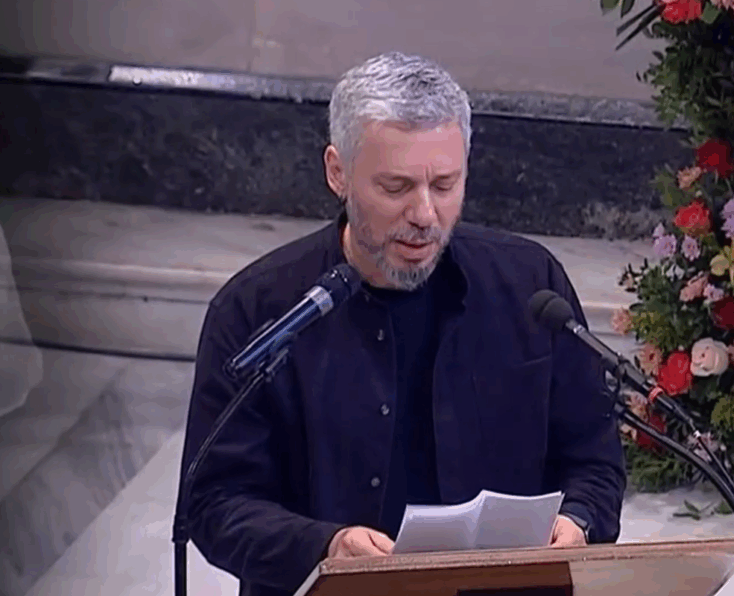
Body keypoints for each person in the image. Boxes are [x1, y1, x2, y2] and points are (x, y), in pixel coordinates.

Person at [179, 51, 626, 596]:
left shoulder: (531, 287)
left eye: (445, 185)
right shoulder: (258, 308)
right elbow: (214, 502)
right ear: (337, 172)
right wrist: (326, 546)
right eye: (395, 188)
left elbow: (594, 460)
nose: (425, 215)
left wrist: (579, 521)